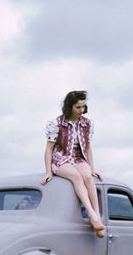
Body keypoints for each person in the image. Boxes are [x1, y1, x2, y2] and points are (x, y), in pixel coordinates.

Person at [42, 90, 105, 237]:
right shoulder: (56, 123)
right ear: (69, 106)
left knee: (88, 177)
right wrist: (48, 171)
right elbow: (48, 150)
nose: (81, 110)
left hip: (78, 157)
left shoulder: (87, 124)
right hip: (60, 158)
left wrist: (92, 167)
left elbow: (88, 148)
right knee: (76, 177)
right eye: (78, 107)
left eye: (83, 107)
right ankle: (91, 214)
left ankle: (97, 216)